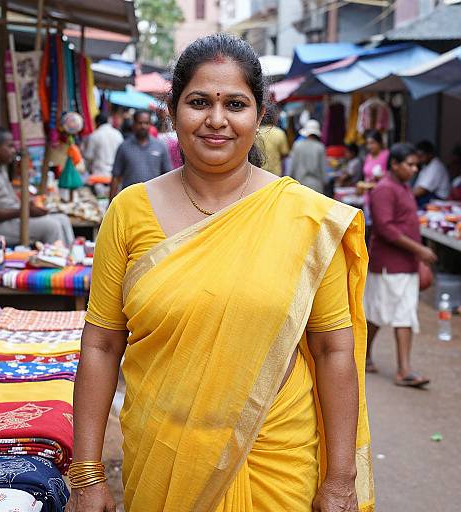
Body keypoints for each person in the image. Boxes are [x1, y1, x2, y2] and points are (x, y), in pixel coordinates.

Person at [66, 34, 373, 512]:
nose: (216, 119)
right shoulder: (129, 211)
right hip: (164, 459)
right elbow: (102, 344)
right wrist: (87, 474)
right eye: (198, 102)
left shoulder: (309, 219)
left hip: (276, 460)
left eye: (235, 103)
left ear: (259, 114)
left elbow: (333, 350)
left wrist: (340, 480)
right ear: (171, 110)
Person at [364, 143, 437, 385]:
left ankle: (399, 367)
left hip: (403, 263)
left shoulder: (402, 187)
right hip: (390, 263)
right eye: (410, 164)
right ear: (394, 164)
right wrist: (420, 250)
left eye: (417, 165)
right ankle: (398, 369)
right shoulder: (385, 190)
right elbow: (385, 228)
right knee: (382, 313)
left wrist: (417, 254)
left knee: (394, 312)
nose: (415, 169)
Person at [0, 127, 74, 247]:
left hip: (12, 219)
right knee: (51, 226)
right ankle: (56, 261)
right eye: (10, 146)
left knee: (63, 219)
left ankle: (71, 259)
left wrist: (28, 206)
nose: (13, 150)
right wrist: (24, 211)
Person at [109, 110, 172, 201]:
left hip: (154, 201)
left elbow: (167, 175)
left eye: (146, 123)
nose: (143, 126)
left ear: (150, 124)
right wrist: (111, 202)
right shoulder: (124, 147)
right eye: (140, 123)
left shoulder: (160, 146)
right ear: (133, 125)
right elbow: (116, 177)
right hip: (129, 200)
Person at [289, 119, 327, 193]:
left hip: (300, 184)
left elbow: (292, 166)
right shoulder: (320, 147)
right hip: (316, 185)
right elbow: (323, 169)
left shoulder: (297, 145)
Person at [414, 140, 451, 208]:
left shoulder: (435, 166)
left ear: (430, 154)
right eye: (418, 156)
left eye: (421, 155)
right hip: (429, 197)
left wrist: (404, 196)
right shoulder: (426, 165)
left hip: (438, 199)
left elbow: (421, 191)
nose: (419, 158)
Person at [257, 112, 289, 176]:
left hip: (259, 171)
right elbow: (284, 153)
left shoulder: (256, 133)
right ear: (274, 119)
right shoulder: (280, 133)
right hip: (275, 173)